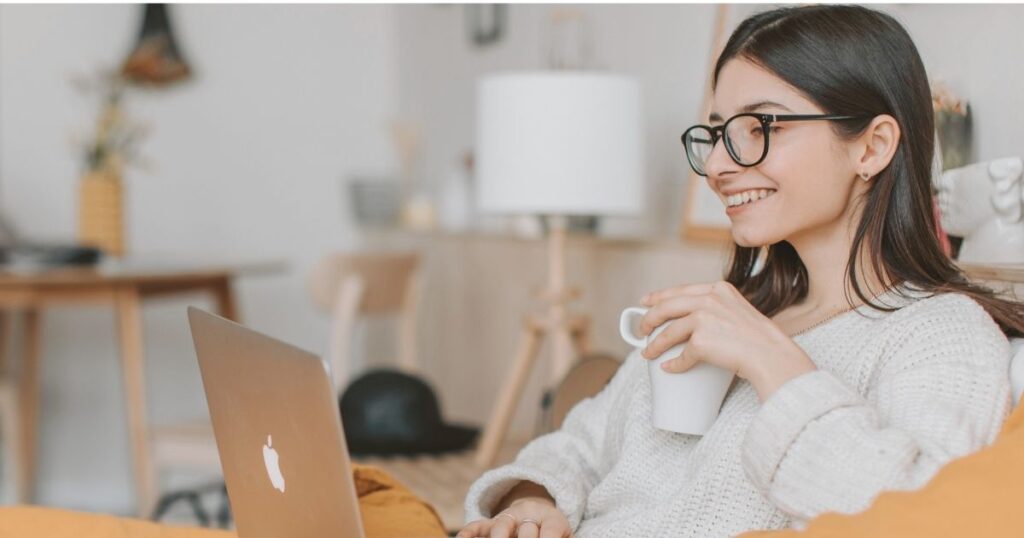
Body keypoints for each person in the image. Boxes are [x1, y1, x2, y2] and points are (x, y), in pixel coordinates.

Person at [457, 5, 1024, 538]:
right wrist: (533, 500)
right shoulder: (735, 309)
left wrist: (771, 360)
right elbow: (578, 445)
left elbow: (911, 513)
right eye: (718, 133)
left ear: (872, 147)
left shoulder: (939, 334)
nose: (721, 166)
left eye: (761, 127)